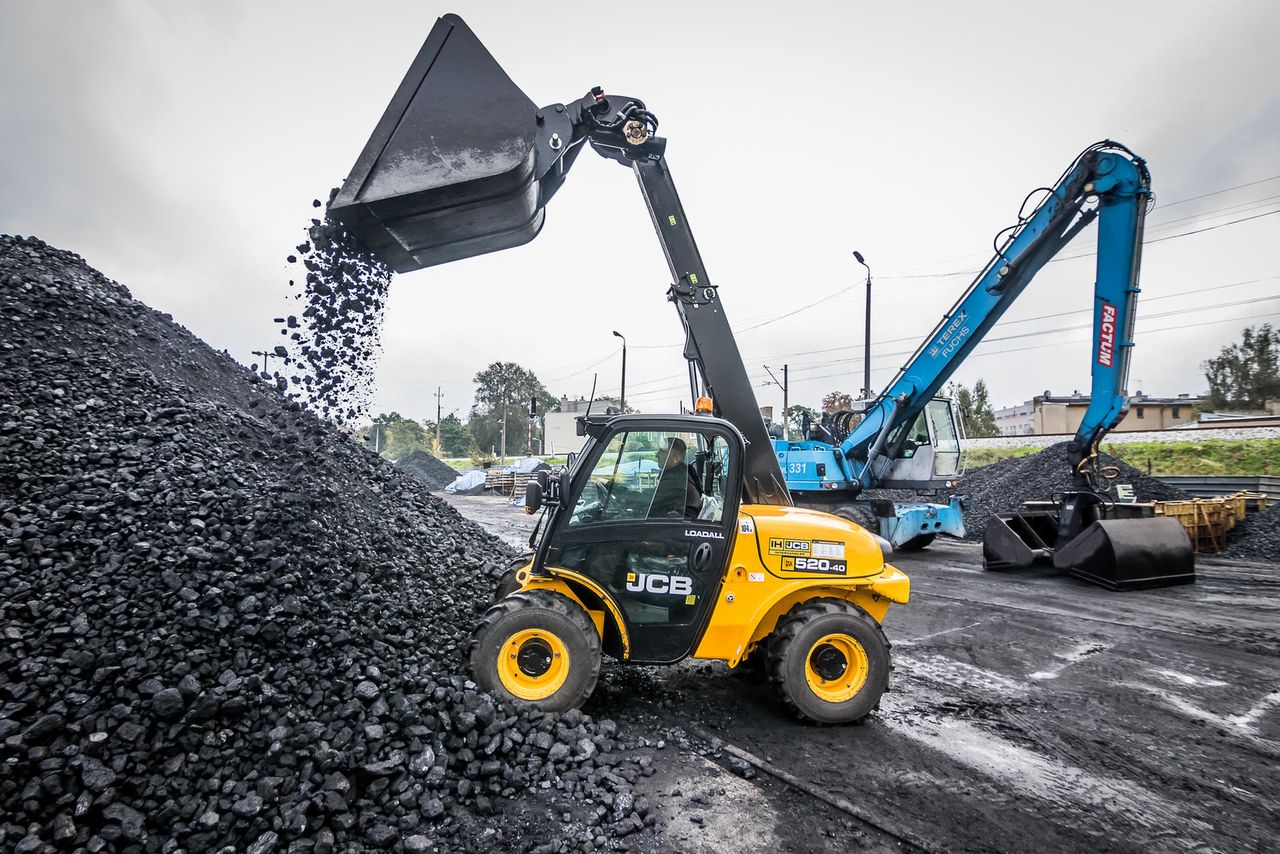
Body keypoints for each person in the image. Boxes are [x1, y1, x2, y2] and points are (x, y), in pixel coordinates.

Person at [649, 436, 702, 519]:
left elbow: (649, 501)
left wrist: (625, 496)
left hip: (678, 528)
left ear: (676, 458)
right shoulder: (680, 474)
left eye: (662, 451)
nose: (657, 455)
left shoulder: (676, 480)